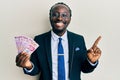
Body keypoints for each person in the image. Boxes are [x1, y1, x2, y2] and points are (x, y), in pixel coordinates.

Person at [16, 2, 102, 80]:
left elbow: (85, 69)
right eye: (55, 14)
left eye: (64, 15)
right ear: (50, 17)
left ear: (70, 19)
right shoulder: (39, 40)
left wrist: (91, 61)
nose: (59, 18)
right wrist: (28, 65)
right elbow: (36, 70)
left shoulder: (78, 39)